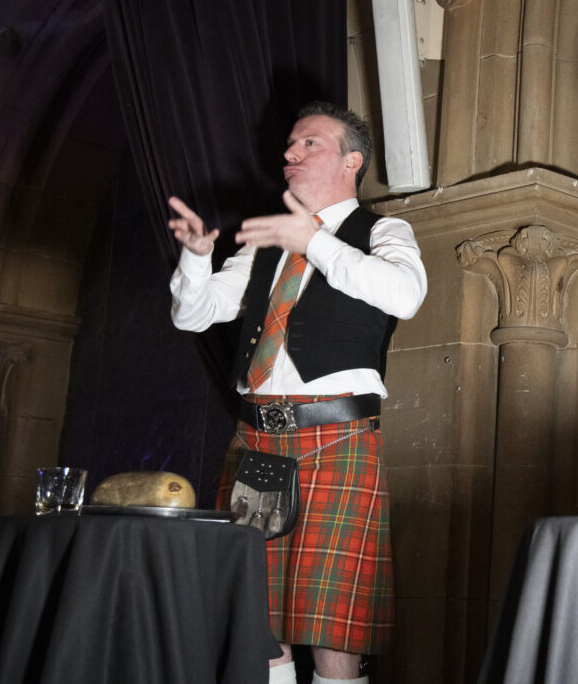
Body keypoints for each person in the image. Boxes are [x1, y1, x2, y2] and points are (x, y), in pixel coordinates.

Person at [168, 101, 428, 684]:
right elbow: (196, 314)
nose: (289, 153)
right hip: (253, 439)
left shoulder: (382, 231)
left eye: (308, 143)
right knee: (259, 628)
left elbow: (405, 295)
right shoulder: (267, 244)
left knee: (335, 637)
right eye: (290, 144)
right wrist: (196, 257)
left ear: (351, 161)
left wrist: (316, 241)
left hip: (335, 439)